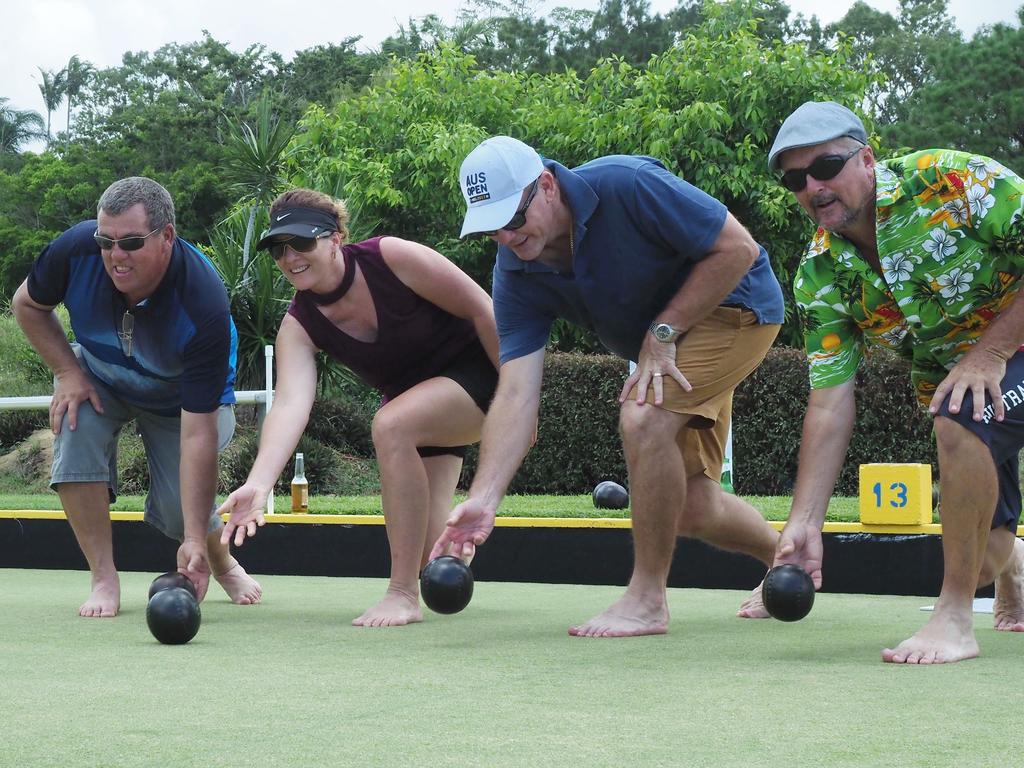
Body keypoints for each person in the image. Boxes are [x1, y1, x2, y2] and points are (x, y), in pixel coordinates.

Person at [431, 136, 785, 637]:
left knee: (644, 417)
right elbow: (516, 392)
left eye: (513, 219)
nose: (507, 238)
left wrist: (663, 332)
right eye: (492, 230)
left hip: (736, 307)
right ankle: (789, 558)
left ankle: (646, 600)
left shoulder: (628, 184)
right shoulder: (517, 272)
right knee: (688, 506)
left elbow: (738, 249)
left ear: (547, 186)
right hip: (666, 342)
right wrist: (485, 498)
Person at [766, 100, 1024, 663]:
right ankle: (1015, 565)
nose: (813, 186)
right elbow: (830, 402)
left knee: (958, 418)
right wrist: (804, 522)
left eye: (827, 166)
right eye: (795, 178)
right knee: (982, 557)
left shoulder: (950, 181)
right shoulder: (818, 274)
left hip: (1000, 356)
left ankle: (954, 618)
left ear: (867, 159)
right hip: (965, 379)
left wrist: (993, 351)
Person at [217, 189, 499, 627]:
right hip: (421, 415)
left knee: (390, 425)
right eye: (278, 249)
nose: (290, 258)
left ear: (335, 239)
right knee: (433, 560)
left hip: (483, 378)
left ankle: (400, 594)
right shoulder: (298, 326)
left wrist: (519, 403)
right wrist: (259, 483)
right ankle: (442, 556)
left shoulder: (393, 257)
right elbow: (291, 404)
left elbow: (485, 309)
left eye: (302, 243)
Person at [11, 176, 262, 617]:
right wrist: (67, 371)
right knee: (75, 429)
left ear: (166, 236)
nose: (115, 256)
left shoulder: (203, 303)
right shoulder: (75, 251)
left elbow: (198, 434)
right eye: (105, 242)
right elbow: (26, 305)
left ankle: (220, 560)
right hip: (99, 377)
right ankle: (103, 577)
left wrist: (188, 539)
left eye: (129, 242)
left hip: (181, 403)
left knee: (179, 511)